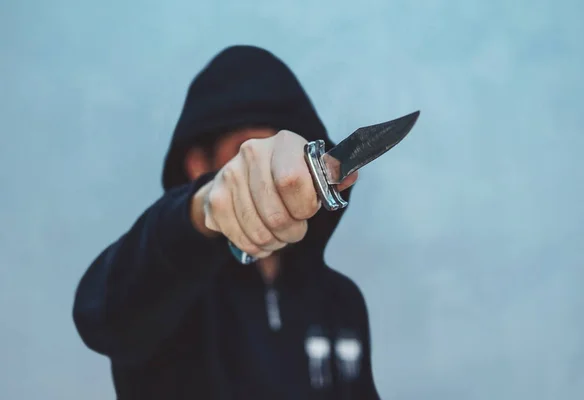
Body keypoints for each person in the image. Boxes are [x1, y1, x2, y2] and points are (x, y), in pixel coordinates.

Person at [73, 45, 380, 399]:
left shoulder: (341, 301)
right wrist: (204, 207)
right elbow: (105, 317)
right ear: (197, 166)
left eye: (283, 157)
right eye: (246, 152)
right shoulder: (162, 295)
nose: (274, 174)